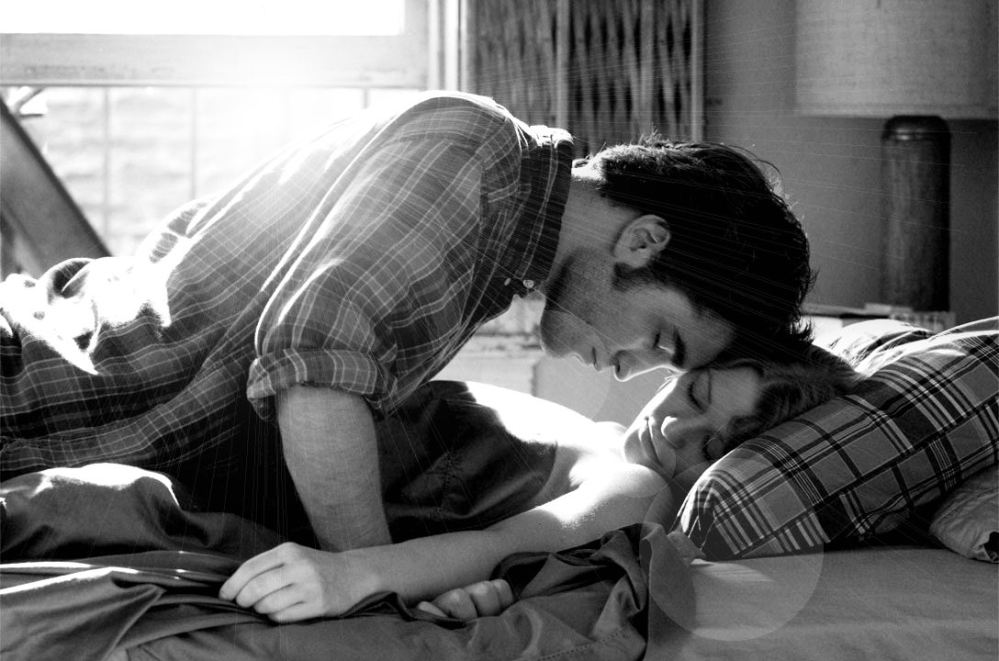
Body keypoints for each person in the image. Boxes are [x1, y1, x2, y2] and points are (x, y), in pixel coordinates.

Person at [0, 91, 813, 552]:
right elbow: (314, 366)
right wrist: (368, 582)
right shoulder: (478, 161)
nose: (632, 369)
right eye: (660, 341)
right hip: (31, 393)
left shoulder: (492, 236)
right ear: (642, 242)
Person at [219, 344, 858, 622]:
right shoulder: (605, 437)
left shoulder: (642, 488)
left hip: (265, 450)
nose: (675, 430)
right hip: (283, 436)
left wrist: (351, 575)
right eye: (694, 394)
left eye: (711, 447)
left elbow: (497, 546)